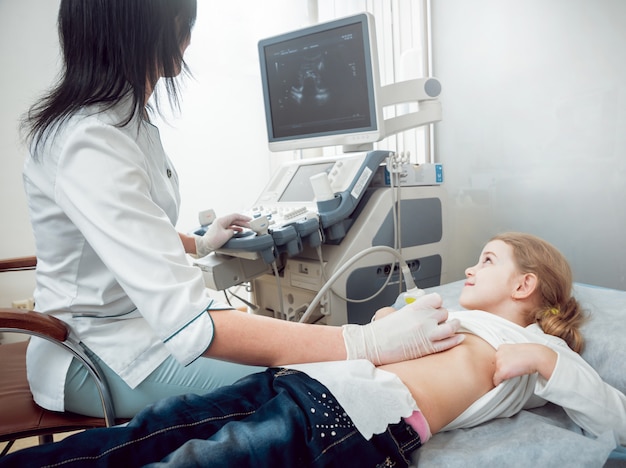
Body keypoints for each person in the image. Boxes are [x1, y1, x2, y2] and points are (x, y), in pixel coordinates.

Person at [18, 0, 463, 420]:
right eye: (184, 23)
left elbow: (127, 234)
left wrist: (200, 243)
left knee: (303, 358)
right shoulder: (90, 140)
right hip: (94, 354)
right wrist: (365, 340)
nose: (187, 37)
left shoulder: (123, 121)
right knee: (306, 384)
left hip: (133, 331)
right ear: (153, 28)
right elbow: (193, 322)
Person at [2, 232, 624, 467]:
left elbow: (612, 416)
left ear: (524, 285)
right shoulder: (451, 312)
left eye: (486, 259)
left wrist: (546, 365)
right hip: (305, 381)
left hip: (354, 421)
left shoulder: (533, 345)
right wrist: (392, 317)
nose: (467, 266)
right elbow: (384, 332)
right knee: (154, 429)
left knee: (195, 460)